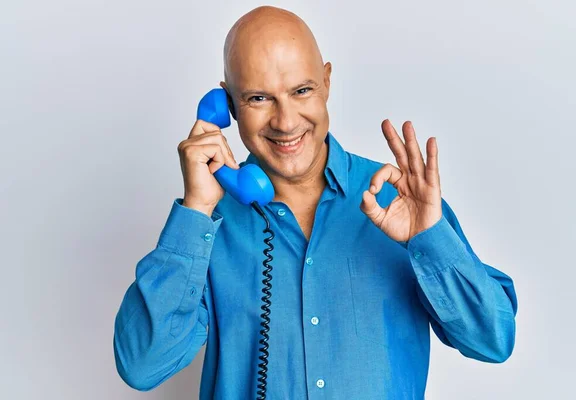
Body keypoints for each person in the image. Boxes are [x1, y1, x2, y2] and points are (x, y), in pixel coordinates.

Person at [113, 5, 518, 400]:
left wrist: (428, 240)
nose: (286, 122)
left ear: (326, 82)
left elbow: (493, 340)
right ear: (228, 106)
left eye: (301, 90)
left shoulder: (400, 197)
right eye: (258, 98)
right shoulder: (205, 226)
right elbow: (142, 366)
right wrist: (196, 208)